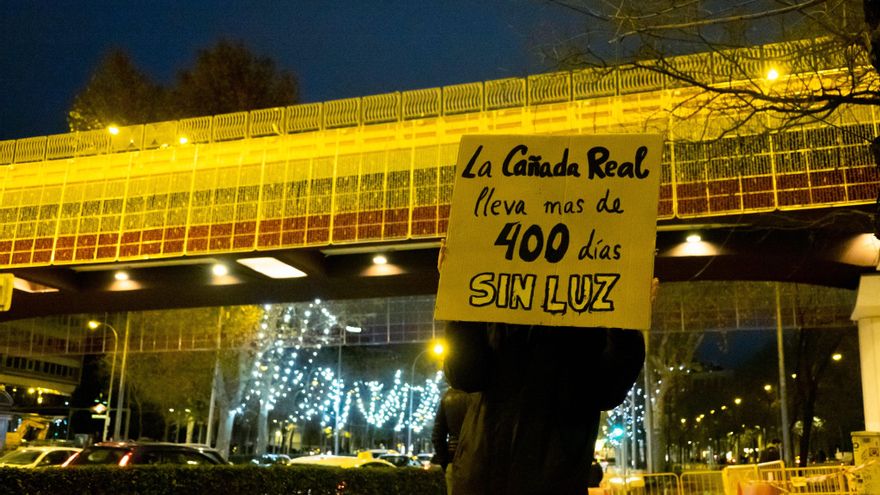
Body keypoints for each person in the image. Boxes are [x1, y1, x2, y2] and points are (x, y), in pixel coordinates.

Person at [432, 387, 473, 495]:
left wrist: (447, 462)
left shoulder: (448, 396)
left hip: (455, 461)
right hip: (483, 461)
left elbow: (437, 436)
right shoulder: (485, 393)